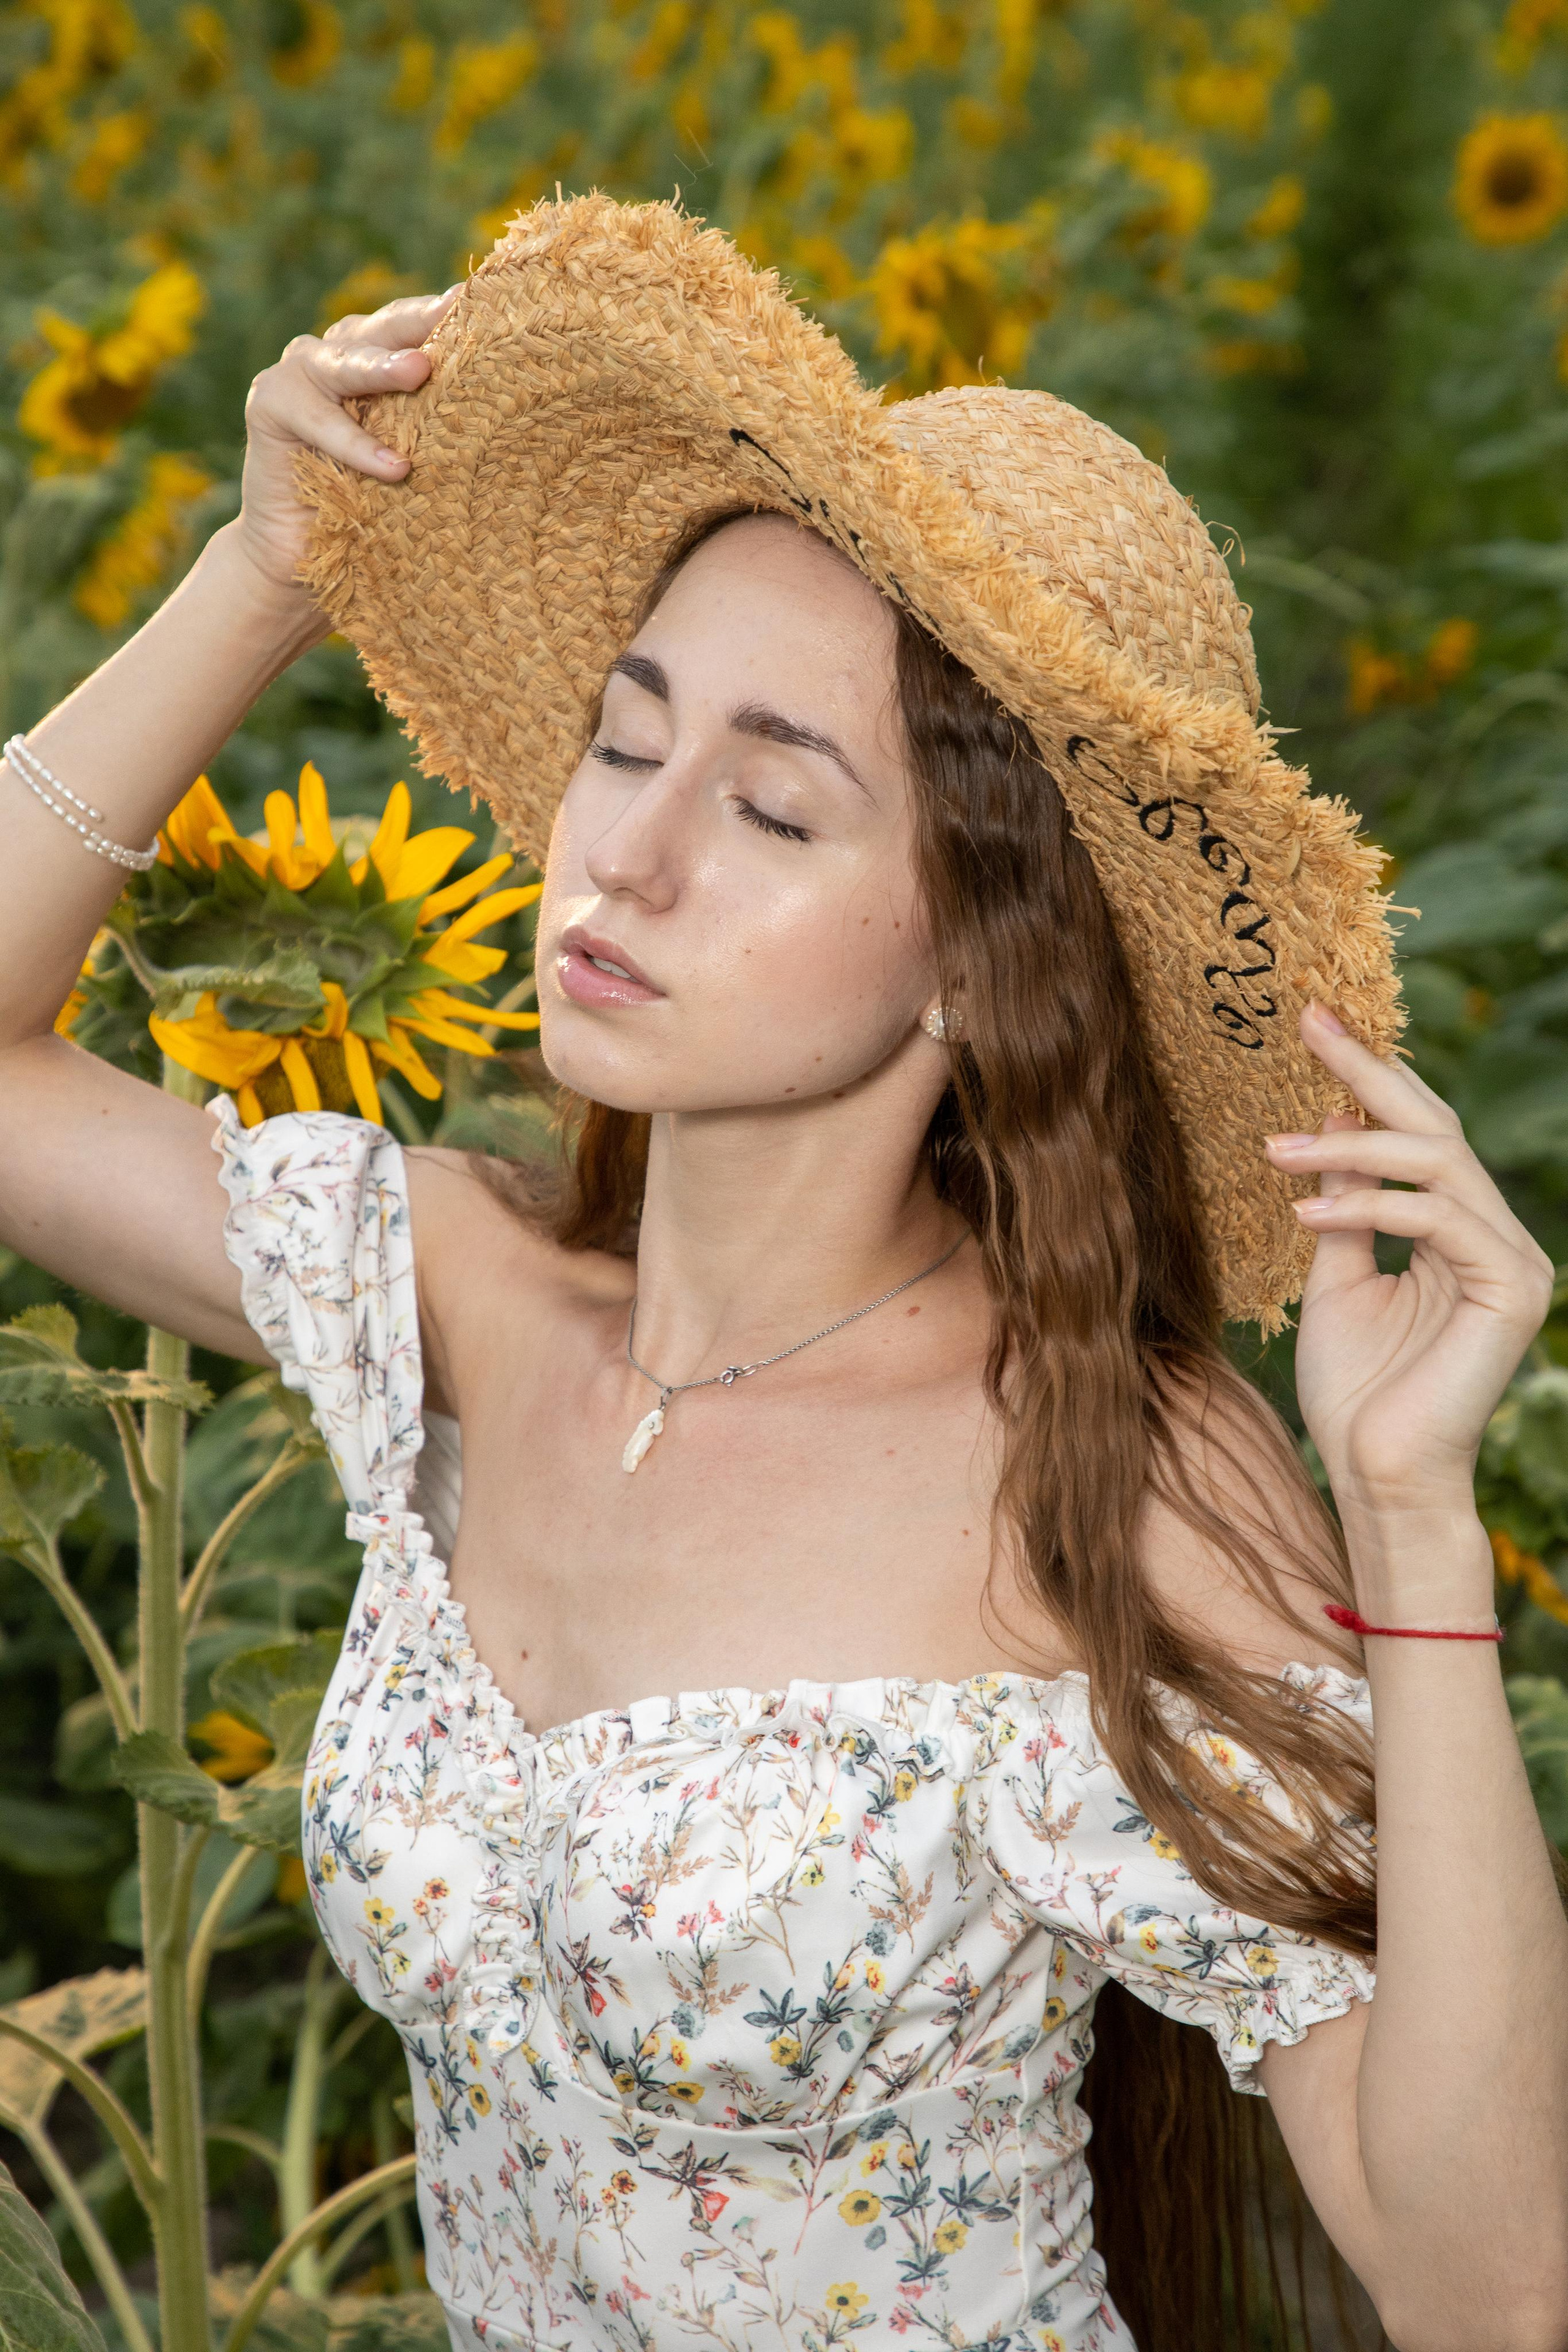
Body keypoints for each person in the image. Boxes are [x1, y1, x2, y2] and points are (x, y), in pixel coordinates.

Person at [1, 194, 1564, 2352]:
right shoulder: (446, 1294)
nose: (622, 853)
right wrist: (267, 568)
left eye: (774, 809)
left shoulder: (1108, 1472)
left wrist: (1413, 1519)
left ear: (978, 971)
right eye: (627, 743)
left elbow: (1490, 2289)